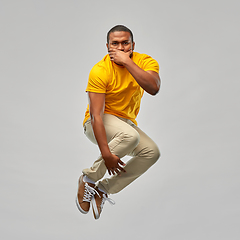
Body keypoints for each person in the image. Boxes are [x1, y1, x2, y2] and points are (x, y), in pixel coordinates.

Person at [76, 25, 161, 219]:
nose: (121, 48)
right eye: (115, 44)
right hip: (96, 123)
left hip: (125, 124)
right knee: (129, 136)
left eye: (125, 43)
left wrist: (127, 62)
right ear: (107, 46)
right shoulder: (100, 70)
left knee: (152, 153)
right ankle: (89, 178)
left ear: (133, 45)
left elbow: (153, 87)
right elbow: (96, 116)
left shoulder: (145, 61)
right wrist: (106, 155)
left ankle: (103, 190)